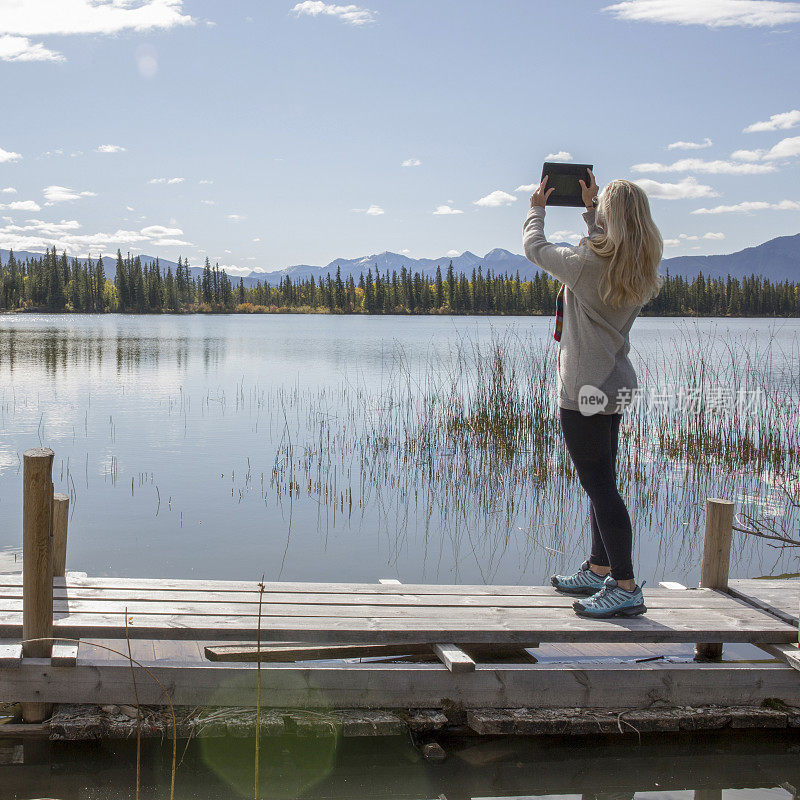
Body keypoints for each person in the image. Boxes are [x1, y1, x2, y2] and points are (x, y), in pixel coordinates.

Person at [522, 170, 663, 619]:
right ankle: (601, 565)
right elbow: (608, 248)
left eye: (602, 212)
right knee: (603, 482)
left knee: (599, 486)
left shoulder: (585, 266)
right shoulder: (636, 268)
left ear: (612, 220)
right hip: (614, 385)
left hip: (582, 389)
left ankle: (624, 585)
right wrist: (590, 211)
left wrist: (536, 209)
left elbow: (535, 249)